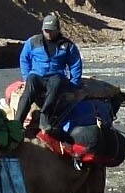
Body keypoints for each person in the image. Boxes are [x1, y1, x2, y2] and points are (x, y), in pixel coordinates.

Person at [17, 11, 84, 141]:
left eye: (51, 30)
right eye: (46, 30)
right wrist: (25, 77)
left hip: (56, 76)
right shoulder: (33, 42)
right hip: (37, 76)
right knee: (30, 82)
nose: (48, 33)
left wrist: (74, 84)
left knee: (56, 81)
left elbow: (75, 64)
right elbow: (24, 59)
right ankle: (17, 123)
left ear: (58, 30)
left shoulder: (67, 45)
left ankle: (45, 117)